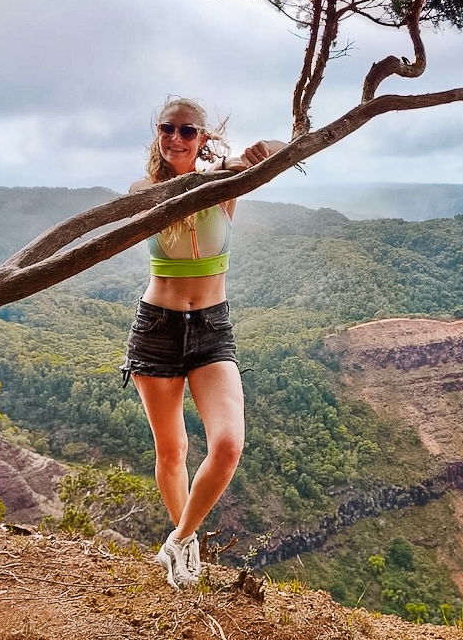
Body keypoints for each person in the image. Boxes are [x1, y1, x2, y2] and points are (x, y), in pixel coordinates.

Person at [120, 96, 284, 589]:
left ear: (202, 137)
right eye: (168, 129)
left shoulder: (226, 185)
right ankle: (186, 552)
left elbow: (281, 151)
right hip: (157, 328)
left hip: (212, 327)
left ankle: (177, 540)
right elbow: (163, 203)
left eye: (187, 131)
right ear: (158, 133)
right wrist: (218, 169)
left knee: (228, 444)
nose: (176, 138)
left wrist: (253, 154)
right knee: (172, 449)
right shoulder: (143, 189)